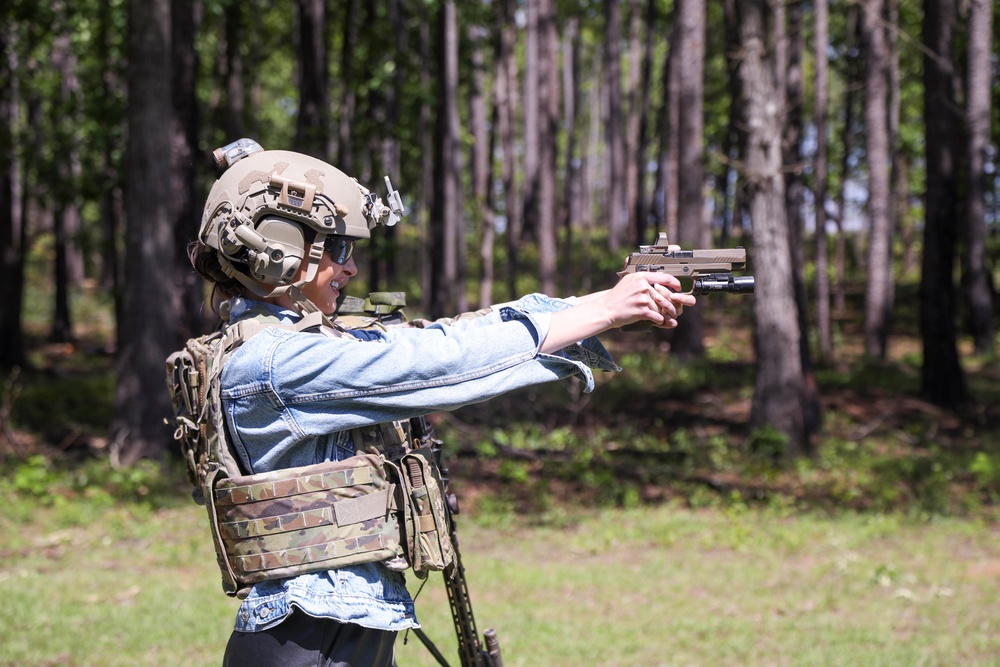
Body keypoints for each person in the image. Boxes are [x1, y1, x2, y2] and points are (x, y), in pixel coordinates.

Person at [185, 139, 695, 667]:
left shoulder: (295, 345)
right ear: (279, 248)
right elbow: (439, 361)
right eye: (338, 250)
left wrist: (598, 305)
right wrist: (608, 311)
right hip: (311, 644)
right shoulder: (277, 364)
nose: (352, 269)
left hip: (326, 636)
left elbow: (449, 333)